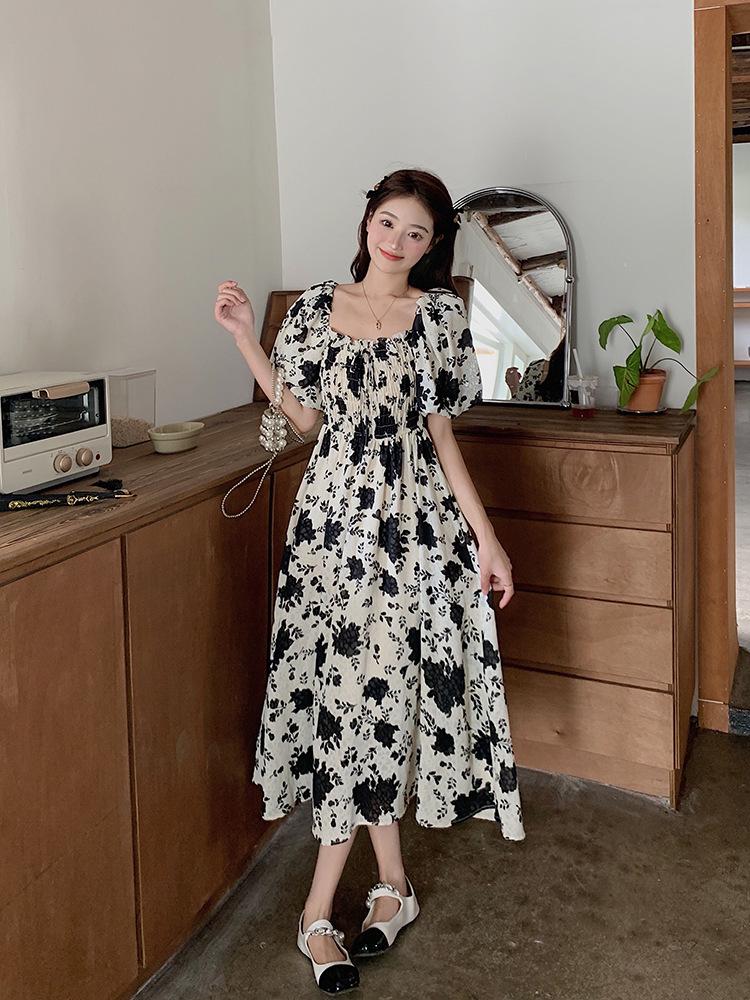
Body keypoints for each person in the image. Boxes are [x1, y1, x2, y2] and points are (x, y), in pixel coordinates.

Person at [214, 168, 525, 995]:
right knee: (358, 701)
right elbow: (303, 420)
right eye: (388, 222)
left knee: (375, 702)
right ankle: (391, 886)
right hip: (331, 534)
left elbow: (443, 437)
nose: (397, 240)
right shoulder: (315, 308)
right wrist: (245, 338)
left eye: (416, 232)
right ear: (368, 223)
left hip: (416, 533)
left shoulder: (441, 318)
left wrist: (487, 540)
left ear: (432, 245)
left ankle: (318, 911)